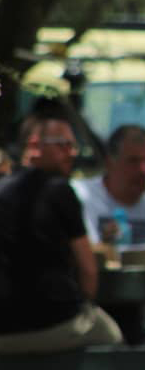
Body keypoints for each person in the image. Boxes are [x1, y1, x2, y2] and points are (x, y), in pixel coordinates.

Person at [0, 113, 123, 352]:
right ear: (34, 145)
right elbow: (88, 271)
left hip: (3, 328)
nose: (72, 152)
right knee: (114, 341)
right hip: (53, 320)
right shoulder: (59, 190)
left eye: (73, 145)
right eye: (63, 145)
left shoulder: (2, 188)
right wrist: (85, 305)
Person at [71, 124, 145, 345]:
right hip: (96, 310)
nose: (143, 170)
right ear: (110, 161)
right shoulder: (83, 197)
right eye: (133, 161)